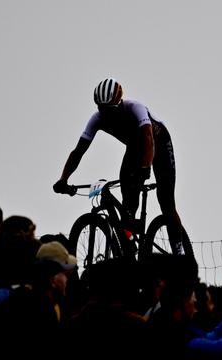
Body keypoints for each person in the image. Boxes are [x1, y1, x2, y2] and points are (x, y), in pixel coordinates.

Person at [55, 79, 189, 256]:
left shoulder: (135, 108)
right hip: (135, 148)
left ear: (118, 104)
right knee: (128, 202)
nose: (105, 114)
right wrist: (63, 179)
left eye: (109, 110)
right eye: (101, 109)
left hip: (160, 144)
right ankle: (129, 243)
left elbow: (148, 139)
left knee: (165, 200)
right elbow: (78, 151)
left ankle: (179, 252)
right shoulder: (97, 119)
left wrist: (146, 167)